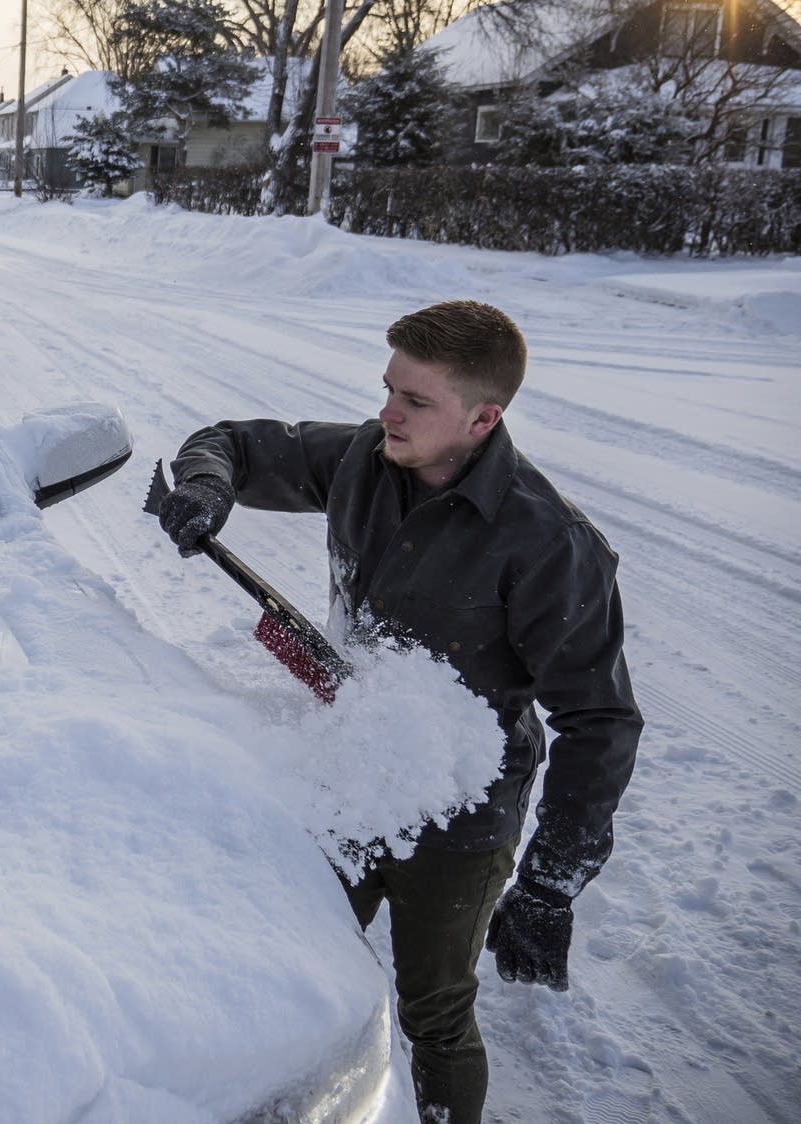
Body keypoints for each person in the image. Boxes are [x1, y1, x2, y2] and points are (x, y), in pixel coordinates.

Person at [153, 300, 640, 1124]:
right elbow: (233, 442)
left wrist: (550, 883)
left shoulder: (547, 543)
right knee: (279, 956)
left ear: (484, 418)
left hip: (461, 819)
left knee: (435, 1014)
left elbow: (600, 720)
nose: (387, 413)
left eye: (416, 401)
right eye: (388, 389)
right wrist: (206, 484)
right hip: (348, 777)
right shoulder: (363, 462)